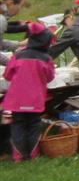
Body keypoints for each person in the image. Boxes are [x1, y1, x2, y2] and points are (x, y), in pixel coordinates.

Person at [2, 22, 55, 162]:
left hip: (17, 100)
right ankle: (33, 155)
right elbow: (50, 77)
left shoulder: (18, 55)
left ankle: (18, 156)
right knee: (34, 125)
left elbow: (7, 75)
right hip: (35, 100)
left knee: (18, 125)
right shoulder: (46, 59)